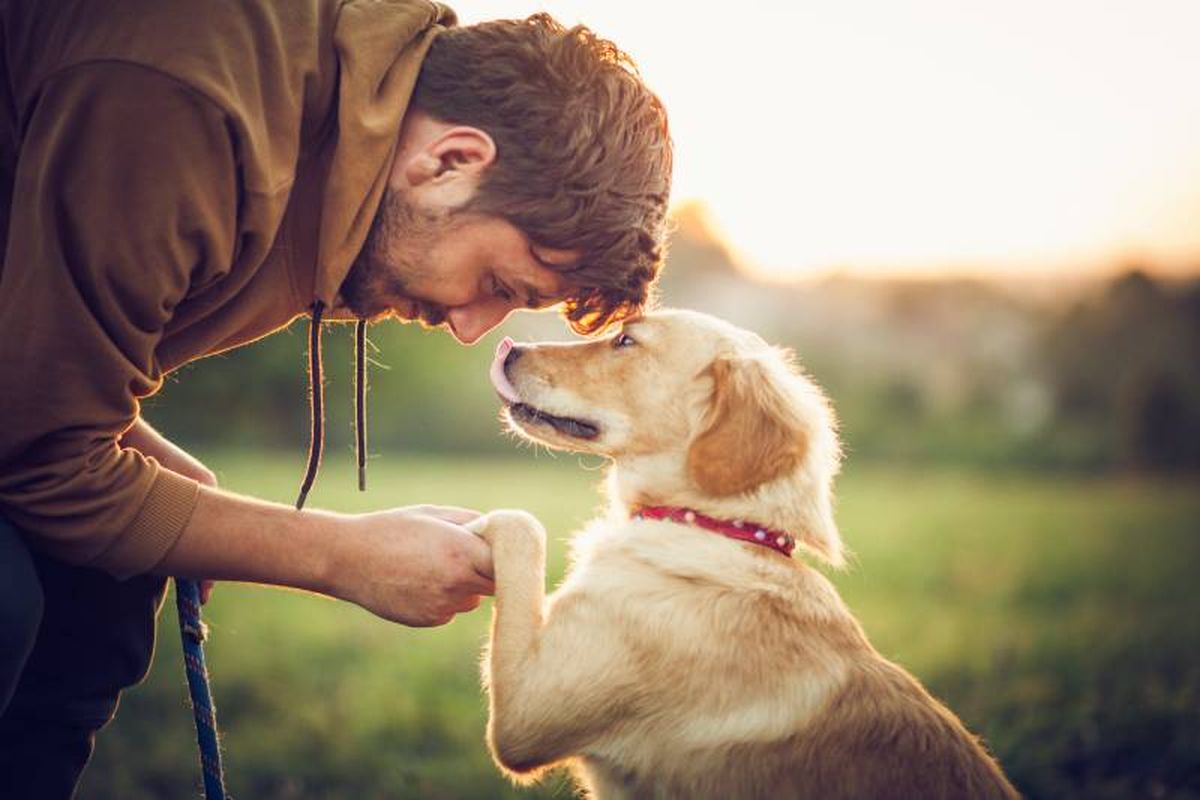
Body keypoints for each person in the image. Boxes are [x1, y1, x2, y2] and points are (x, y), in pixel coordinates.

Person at [0, 0, 672, 795]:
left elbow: (40, 361)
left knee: (101, 593)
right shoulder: (190, 106)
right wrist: (339, 554)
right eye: (496, 284)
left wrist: (141, 455)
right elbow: (34, 456)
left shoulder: (344, 150)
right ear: (451, 160)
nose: (469, 328)